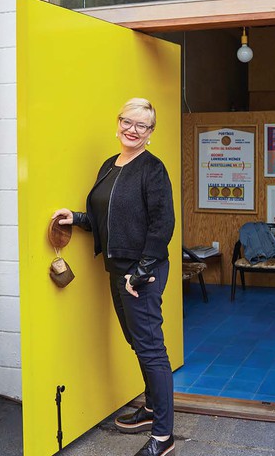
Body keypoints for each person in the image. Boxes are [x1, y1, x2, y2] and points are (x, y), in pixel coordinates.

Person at [52, 97, 176, 456]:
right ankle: (152, 408)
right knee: (138, 342)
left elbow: (162, 224)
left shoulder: (153, 169)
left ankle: (164, 437)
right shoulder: (110, 165)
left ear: (150, 133)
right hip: (117, 267)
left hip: (143, 272)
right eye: (128, 121)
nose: (132, 129)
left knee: (151, 349)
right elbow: (104, 221)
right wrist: (74, 218)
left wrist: (143, 270)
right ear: (118, 122)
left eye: (142, 125)